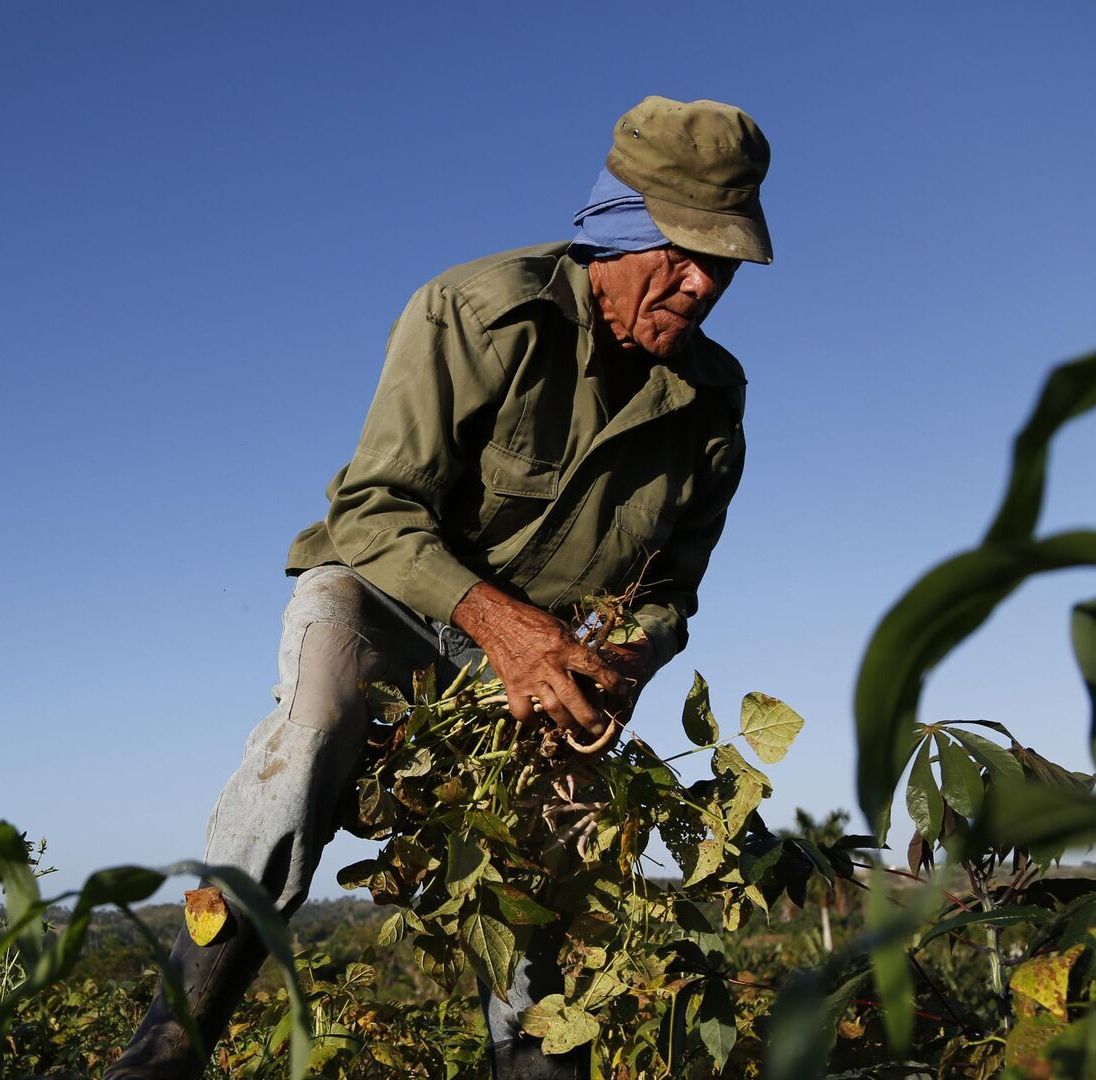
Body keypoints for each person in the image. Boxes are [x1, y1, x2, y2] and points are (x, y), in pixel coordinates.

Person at [105, 95, 772, 1079]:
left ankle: (531, 1063)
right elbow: (374, 508)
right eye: (678, 252)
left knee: (543, 874)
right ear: (617, 228)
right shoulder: (477, 312)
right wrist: (505, 632)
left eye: (721, 263)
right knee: (303, 757)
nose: (699, 283)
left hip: (540, 660)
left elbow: (670, 590)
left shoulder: (711, 403)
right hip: (385, 598)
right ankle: (163, 1046)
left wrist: (620, 662)